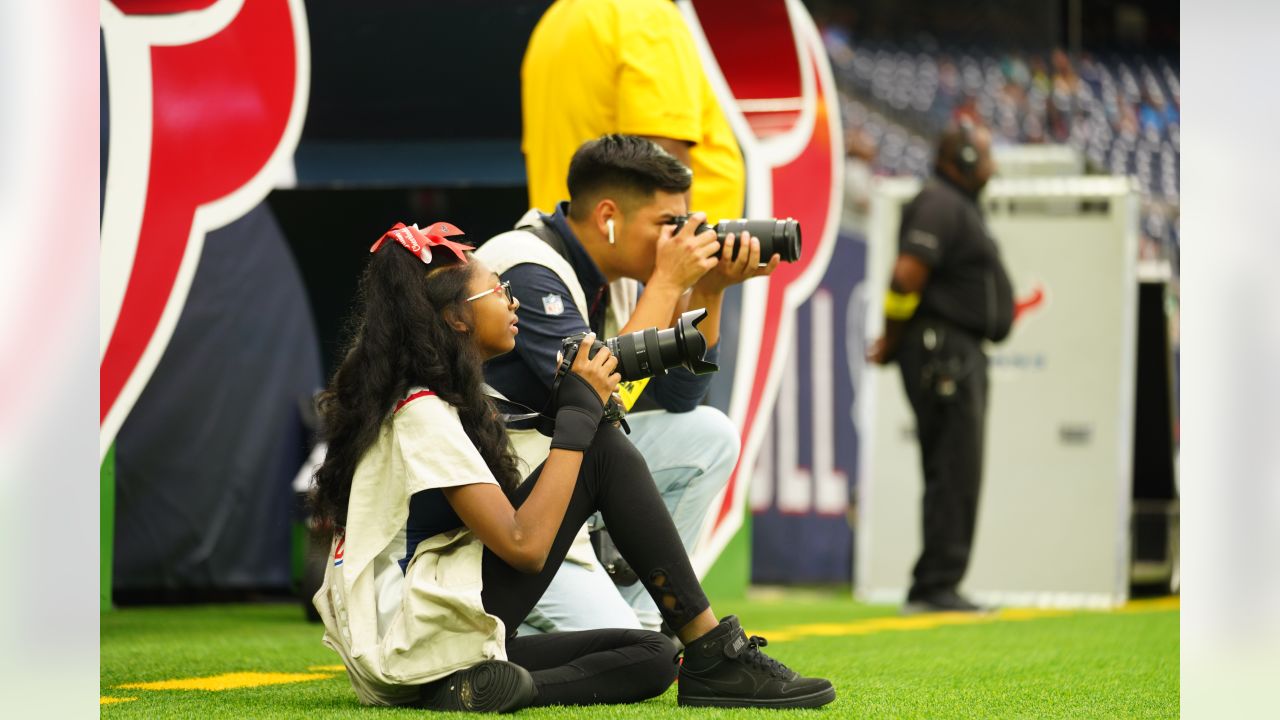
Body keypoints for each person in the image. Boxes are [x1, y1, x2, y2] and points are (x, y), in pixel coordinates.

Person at [309, 220, 834, 711]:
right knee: (602, 451)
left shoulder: (445, 399)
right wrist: (579, 419)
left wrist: (576, 414)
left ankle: (482, 690)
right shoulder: (421, 410)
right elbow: (524, 546)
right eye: (499, 291)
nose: (513, 302)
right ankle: (717, 653)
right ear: (456, 317)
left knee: (653, 655)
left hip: (435, 638)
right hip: (410, 639)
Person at [478, 135, 777, 636]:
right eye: (666, 224)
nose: (676, 240)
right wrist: (665, 285)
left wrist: (708, 291)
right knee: (622, 653)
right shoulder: (527, 269)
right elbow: (601, 396)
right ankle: (495, 623)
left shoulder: (613, 274)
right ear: (608, 217)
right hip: (500, 508)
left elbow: (680, 398)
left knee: (708, 435)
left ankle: (640, 619)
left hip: (556, 475)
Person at [868, 121, 1014, 614]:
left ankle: (936, 582)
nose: (992, 166)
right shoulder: (939, 202)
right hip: (944, 351)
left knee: (953, 466)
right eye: (986, 156)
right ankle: (936, 586)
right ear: (964, 161)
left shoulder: (954, 205)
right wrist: (891, 338)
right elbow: (906, 277)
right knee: (955, 465)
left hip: (952, 349)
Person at [521, 0, 745, 226]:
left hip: (570, 241)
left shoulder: (556, 20)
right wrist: (684, 250)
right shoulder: (647, 15)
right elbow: (662, 159)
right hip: (641, 254)